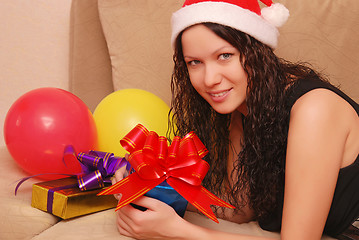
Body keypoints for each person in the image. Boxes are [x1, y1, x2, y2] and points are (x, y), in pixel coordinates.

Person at [112, 0, 359, 239]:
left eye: (224, 56)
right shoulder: (246, 111)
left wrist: (178, 231)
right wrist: (154, 187)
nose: (209, 79)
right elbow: (238, 208)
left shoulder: (314, 110)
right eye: (195, 62)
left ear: (256, 51)